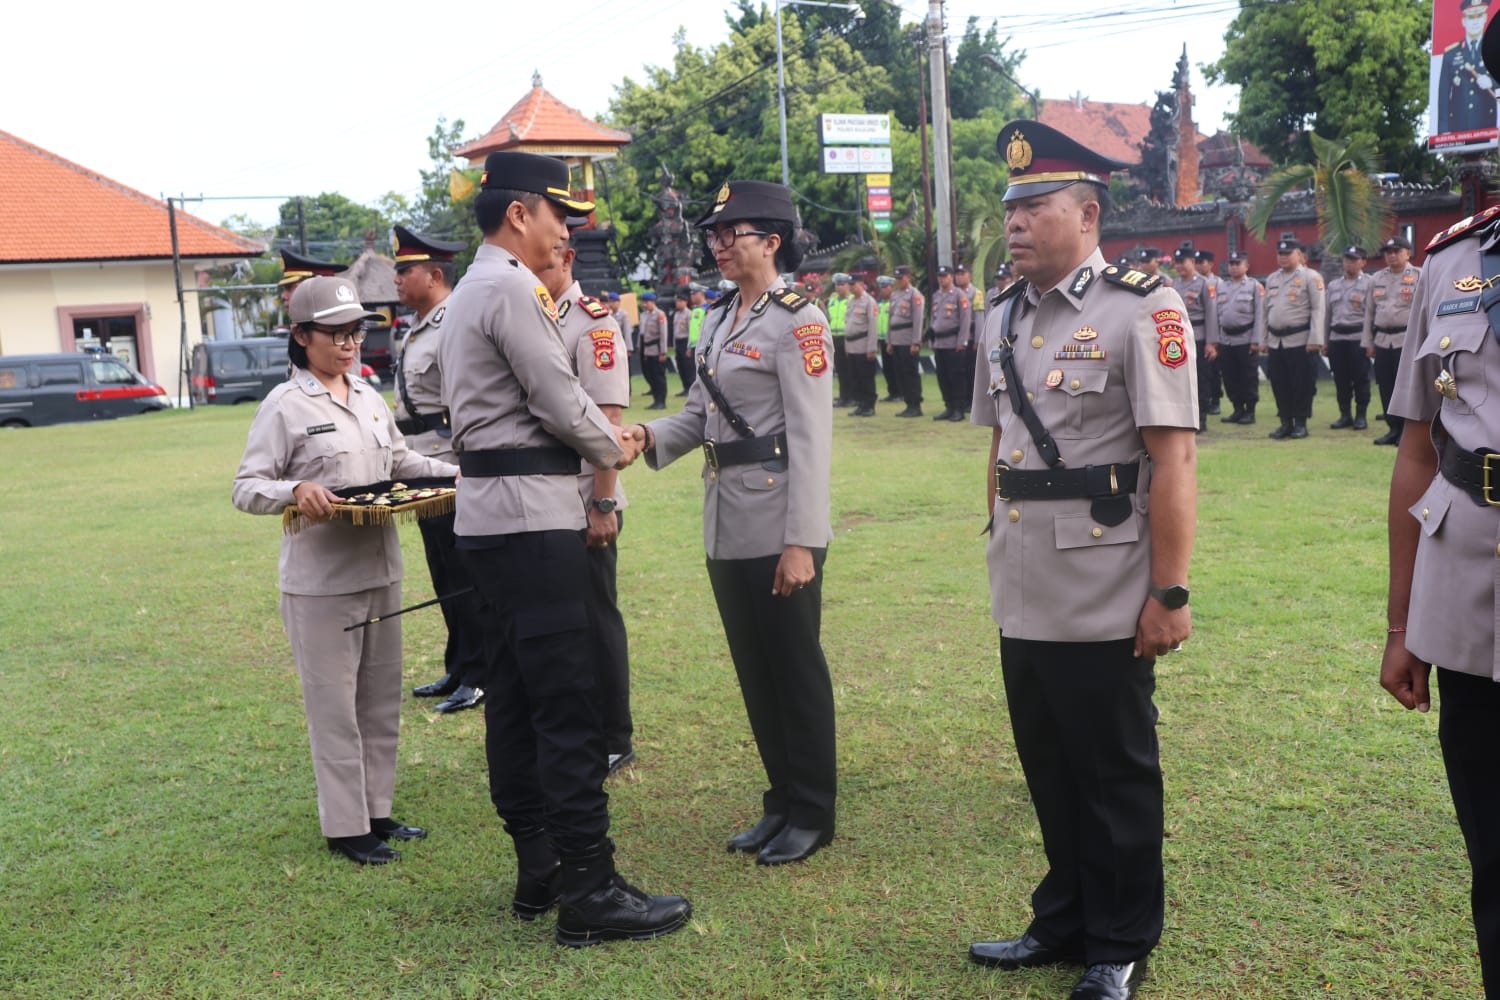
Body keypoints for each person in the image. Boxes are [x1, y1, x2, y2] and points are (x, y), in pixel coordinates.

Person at [968, 119, 1198, 1000]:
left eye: (1035, 205)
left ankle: (1120, 940)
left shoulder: (1143, 308)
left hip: (1106, 575)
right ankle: (1063, 917)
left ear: (1088, 214)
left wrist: (1168, 591)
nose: (1016, 221)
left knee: (1112, 767)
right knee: (1049, 761)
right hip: (1025, 577)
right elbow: (998, 451)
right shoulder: (1002, 314)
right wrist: (992, 538)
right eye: (1010, 207)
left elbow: (1172, 458)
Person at [439, 150, 689, 946]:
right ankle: (590, 887)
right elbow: (561, 400)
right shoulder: (512, 287)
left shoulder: (469, 290)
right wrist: (616, 446)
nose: (563, 232)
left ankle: (539, 866)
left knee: (511, 697)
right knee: (565, 702)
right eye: (557, 215)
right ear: (521, 215)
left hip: (487, 518)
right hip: (531, 520)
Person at [629, 179, 836, 867]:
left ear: (771, 241)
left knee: (794, 668)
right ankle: (780, 799)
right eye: (712, 235)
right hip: (727, 517)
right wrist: (647, 437)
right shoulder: (717, 320)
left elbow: (811, 438)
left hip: (779, 521)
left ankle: (813, 809)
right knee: (755, 670)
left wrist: (802, 542)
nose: (717, 245)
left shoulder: (798, 320)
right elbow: (698, 415)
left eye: (731, 234)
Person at [232, 275, 458, 865]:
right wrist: (295, 489)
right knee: (334, 707)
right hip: (320, 584)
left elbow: (401, 459)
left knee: (380, 701)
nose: (348, 343)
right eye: (334, 333)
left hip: (381, 570)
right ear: (302, 336)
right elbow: (246, 487)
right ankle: (346, 826)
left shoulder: (365, 394)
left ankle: (378, 811)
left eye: (354, 331)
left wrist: (456, 473)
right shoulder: (284, 404)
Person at [1380, 191, 1500, 989]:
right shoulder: (1453, 261)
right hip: (1471, 595)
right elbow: (1419, 453)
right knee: (1494, 855)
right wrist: (1400, 625)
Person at [545, 220, 638, 775]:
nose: (534, 269)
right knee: (565, 618)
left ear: (569, 259)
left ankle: (613, 734)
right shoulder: (536, 315)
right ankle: (581, 725)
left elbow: (608, 423)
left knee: (597, 618)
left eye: (546, 260)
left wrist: (603, 503)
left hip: (587, 496)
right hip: (549, 498)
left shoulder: (593, 326)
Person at [388, 225, 491, 715]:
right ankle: (458, 663)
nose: (396, 279)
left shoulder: (452, 322)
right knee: (442, 570)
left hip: (451, 462)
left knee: (466, 570)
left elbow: (466, 400)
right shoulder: (419, 325)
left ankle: (480, 672)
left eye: (404, 270)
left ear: (433, 274)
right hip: (420, 461)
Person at [1261, 238, 1326, 439]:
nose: (1283, 257)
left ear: (1299, 255)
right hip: (1276, 341)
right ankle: (1285, 423)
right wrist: (1263, 339)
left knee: (1302, 385)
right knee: (1279, 384)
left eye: (1288, 253)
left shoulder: (1311, 277)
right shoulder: (1272, 279)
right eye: (1280, 254)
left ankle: (1300, 423)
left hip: (1300, 340)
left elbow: (1318, 309)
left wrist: (1315, 339)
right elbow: (1265, 312)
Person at [1368, 235, 1422, 446]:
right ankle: (1393, 428)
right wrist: (1368, 342)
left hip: (1407, 340)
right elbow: (1369, 314)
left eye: (1396, 251)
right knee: (1386, 386)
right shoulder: (1376, 279)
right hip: (1382, 340)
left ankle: (1406, 432)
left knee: (1407, 387)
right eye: (1388, 252)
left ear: (1408, 253)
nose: (1391, 256)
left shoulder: (1420, 276)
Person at [1324, 246, 1374, 431]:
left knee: (1361, 379)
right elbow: (1327, 316)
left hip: (1358, 337)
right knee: (1340, 379)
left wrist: (1369, 341)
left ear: (1363, 262)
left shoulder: (1369, 284)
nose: (1349, 263)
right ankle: (1345, 414)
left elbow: (1371, 315)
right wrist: (1325, 341)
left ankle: (1361, 415)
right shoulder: (1333, 285)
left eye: (1354, 259)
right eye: (1347, 259)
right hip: (1337, 338)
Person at [1216, 251, 1264, 424]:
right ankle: (1237, 409)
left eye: (1238, 264)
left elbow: (1260, 314)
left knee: (1248, 377)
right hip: (1226, 339)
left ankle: (1250, 411)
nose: (1234, 267)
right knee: (1229, 377)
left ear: (1246, 266)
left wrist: (1256, 340)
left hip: (1246, 339)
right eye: (1231, 264)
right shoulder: (1222, 286)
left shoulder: (1253, 286)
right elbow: (1216, 315)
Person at [1438, 0, 1499, 135]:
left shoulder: (1495, 50)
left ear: (1485, 18)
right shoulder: (1451, 54)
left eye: (1479, 16)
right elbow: (1443, 95)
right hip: (1459, 127)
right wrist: (1443, 130)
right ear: (1464, 21)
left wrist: (1492, 82)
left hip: (1488, 126)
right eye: (1471, 17)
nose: (1475, 22)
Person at [1175, 250, 1220, 433]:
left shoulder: (1204, 283)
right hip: (1178, 338)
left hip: (1198, 336)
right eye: (1176, 262)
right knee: (1180, 379)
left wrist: (1211, 342)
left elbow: (1211, 314)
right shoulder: (1174, 284)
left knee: (1200, 379)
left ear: (1192, 261)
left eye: (1182, 261)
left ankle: (1200, 419)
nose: (1178, 265)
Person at [928, 265, 973, 422]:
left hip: (954, 343)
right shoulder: (937, 296)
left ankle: (959, 409)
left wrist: (962, 341)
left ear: (951, 277)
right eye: (939, 276)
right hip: (939, 343)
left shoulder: (959, 295)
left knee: (956, 377)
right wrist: (931, 339)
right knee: (943, 377)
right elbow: (933, 319)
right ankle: (949, 406)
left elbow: (965, 320)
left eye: (944, 276)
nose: (941, 278)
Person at [888, 264, 925, 416]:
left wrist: (915, 342)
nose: (898, 281)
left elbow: (918, 320)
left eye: (901, 278)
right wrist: (889, 341)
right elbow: (891, 319)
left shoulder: (914, 294)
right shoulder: (895, 295)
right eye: (896, 278)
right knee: (901, 374)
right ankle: (908, 403)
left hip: (908, 339)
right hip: (896, 339)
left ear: (908, 277)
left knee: (910, 373)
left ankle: (915, 405)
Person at [1194, 250, 1227, 415]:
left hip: (1217, 330)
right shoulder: (1194, 283)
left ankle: (1216, 400)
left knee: (1214, 370)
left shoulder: (1218, 283)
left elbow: (1220, 310)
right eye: (1197, 262)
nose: (1199, 265)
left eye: (1202, 262)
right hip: (1202, 330)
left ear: (1211, 264)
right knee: (1203, 371)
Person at [843, 273, 880, 416]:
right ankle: (861, 404)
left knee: (866, 377)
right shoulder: (851, 301)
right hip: (852, 345)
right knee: (855, 378)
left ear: (861, 284)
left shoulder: (869, 301)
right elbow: (848, 324)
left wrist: (871, 348)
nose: (851, 287)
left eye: (853, 284)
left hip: (863, 345)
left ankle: (869, 406)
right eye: (850, 285)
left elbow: (873, 326)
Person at [956, 263, 982, 416]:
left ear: (969, 275)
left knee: (971, 371)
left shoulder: (975, 293)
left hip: (971, 337)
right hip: (956, 337)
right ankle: (962, 399)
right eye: (957, 274)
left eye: (962, 273)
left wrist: (978, 340)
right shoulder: (952, 292)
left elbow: (979, 317)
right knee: (959, 371)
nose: (959, 276)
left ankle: (971, 401)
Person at [637, 291, 669, 410]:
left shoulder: (659, 315)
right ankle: (655, 399)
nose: (644, 304)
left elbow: (663, 334)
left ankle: (661, 401)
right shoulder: (644, 315)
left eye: (647, 302)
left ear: (653, 302)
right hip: (646, 350)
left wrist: (663, 352)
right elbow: (641, 333)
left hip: (656, 350)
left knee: (658, 376)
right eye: (643, 302)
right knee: (649, 375)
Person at [825, 273, 853, 407]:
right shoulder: (833, 300)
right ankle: (844, 396)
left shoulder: (852, 299)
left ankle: (851, 397)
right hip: (835, 338)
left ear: (848, 285)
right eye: (837, 284)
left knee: (849, 369)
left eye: (842, 284)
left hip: (847, 338)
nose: (839, 287)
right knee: (840, 369)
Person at [876, 275, 900, 401]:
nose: (883, 290)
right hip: (882, 339)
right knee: (887, 368)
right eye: (881, 287)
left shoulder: (895, 301)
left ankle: (900, 392)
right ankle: (892, 392)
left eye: (885, 287)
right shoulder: (880, 303)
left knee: (896, 367)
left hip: (894, 339)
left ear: (891, 287)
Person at [672, 289, 695, 396]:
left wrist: (689, 347)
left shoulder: (689, 314)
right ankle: (685, 387)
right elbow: (675, 331)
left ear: (685, 302)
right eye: (677, 301)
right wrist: (674, 345)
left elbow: (691, 331)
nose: (678, 303)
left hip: (685, 341)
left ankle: (691, 387)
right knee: (680, 366)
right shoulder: (676, 315)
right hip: (678, 342)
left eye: (680, 301)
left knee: (688, 367)